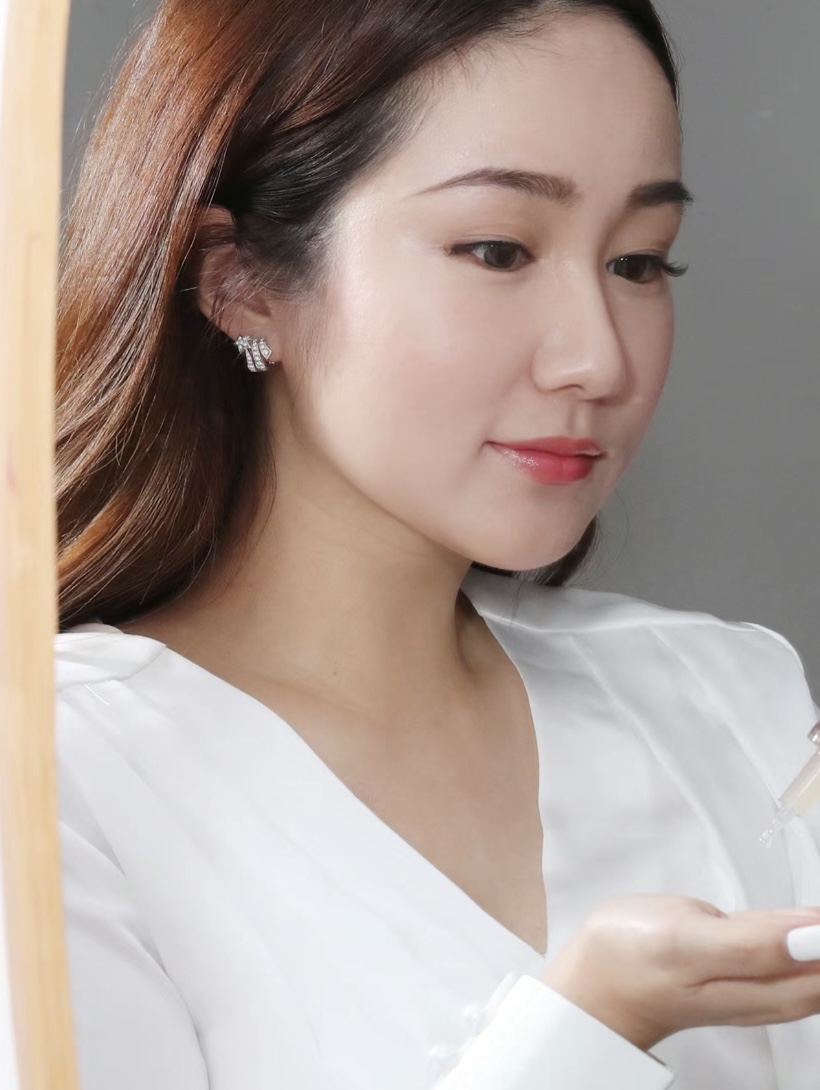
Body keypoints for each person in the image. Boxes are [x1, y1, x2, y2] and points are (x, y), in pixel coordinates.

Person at [53, 1, 820, 1087]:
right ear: (239, 281)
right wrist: (593, 1023)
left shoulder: (727, 703)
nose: (598, 359)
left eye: (640, 263)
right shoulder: (56, 777)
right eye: (498, 250)